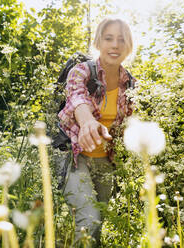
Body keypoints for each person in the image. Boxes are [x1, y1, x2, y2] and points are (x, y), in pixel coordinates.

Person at [58, 17, 135, 247]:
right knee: (89, 220)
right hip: (74, 157)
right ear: (98, 42)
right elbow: (77, 98)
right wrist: (88, 122)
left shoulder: (131, 84)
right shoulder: (81, 71)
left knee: (97, 225)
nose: (115, 45)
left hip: (105, 162)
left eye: (121, 40)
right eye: (108, 38)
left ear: (129, 45)